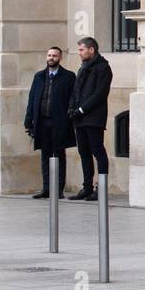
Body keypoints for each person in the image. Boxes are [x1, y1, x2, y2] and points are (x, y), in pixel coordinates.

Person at [23, 47, 76, 198]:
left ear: (60, 58)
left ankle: (58, 189)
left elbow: (72, 98)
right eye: (49, 55)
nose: (51, 58)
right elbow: (32, 98)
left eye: (54, 56)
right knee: (45, 155)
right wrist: (29, 119)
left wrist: (69, 116)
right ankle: (46, 188)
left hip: (60, 122)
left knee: (59, 154)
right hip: (42, 121)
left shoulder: (69, 77)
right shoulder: (39, 76)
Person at [67, 36, 113, 202]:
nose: (79, 53)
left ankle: (101, 189)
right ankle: (87, 188)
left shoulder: (103, 68)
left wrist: (81, 109)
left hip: (93, 118)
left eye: (81, 50)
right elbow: (76, 90)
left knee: (97, 152)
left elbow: (100, 94)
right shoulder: (83, 67)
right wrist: (71, 108)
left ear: (91, 50)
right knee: (83, 152)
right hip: (79, 118)